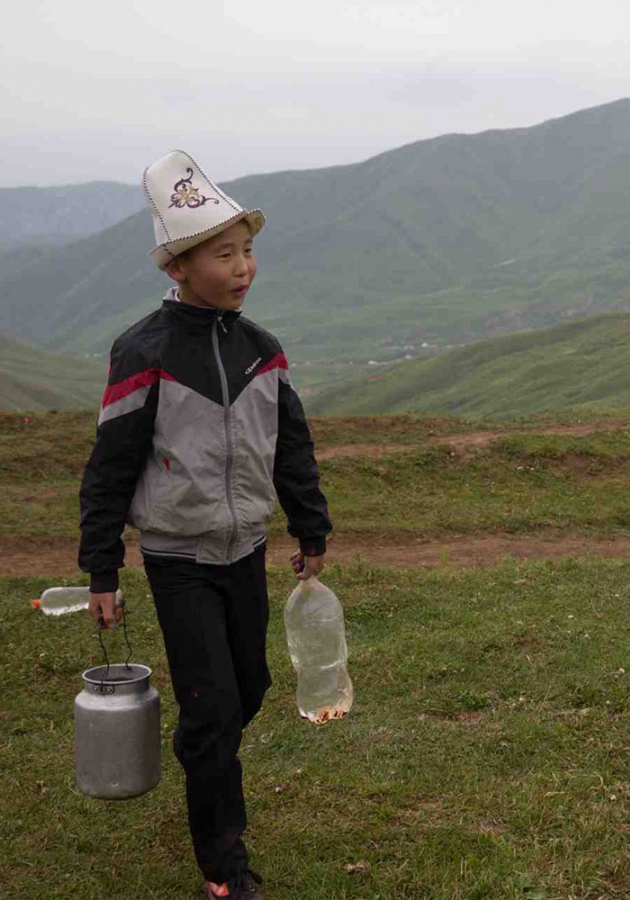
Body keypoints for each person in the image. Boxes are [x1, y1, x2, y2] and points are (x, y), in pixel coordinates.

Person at [78, 150, 332, 900]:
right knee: (217, 707)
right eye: (224, 254)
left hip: (245, 549)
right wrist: (102, 568)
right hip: (177, 556)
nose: (243, 266)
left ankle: (201, 742)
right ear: (179, 267)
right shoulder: (144, 353)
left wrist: (309, 529)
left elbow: (292, 447)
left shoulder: (265, 353)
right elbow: (110, 466)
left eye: (248, 250)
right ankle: (223, 864)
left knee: (247, 688)